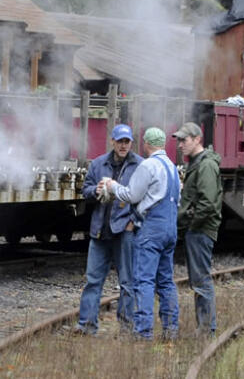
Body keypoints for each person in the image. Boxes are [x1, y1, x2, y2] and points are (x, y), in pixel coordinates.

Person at [101, 126, 180, 340]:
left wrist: (112, 185)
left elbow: (132, 195)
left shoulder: (149, 165)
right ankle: (171, 329)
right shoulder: (172, 167)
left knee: (143, 280)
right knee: (166, 281)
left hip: (152, 229)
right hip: (171, 227)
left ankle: (143, 332)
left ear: (146, 144)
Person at [75, 123, 142, 334]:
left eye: (127, 142)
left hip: (124, 231)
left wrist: (134, 221)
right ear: (112, 141)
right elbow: (84, 190)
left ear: (132, 142)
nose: (123, 146)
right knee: (93, 281)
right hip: (99, 231)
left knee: (127, 282)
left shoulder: (140, 165)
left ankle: (126, 327)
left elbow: (145, 199)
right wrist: (95, 191)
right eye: (120, 141)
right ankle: (86, 325)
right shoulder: (98, 164)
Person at [175, 121, 222, 336]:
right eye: (179, 140)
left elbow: (208, 203)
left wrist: (191, 222)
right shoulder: (198, 163)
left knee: (201, 279)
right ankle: (204, 326)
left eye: (184, 140)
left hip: (201, 231)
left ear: (197, 139)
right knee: (198, 279)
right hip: (198, 229)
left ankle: (206, 328)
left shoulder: (205, 165)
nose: (180, 145)